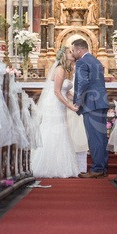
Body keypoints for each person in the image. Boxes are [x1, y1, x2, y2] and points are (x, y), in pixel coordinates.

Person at [31, 46, 80, 178]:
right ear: (64, 55)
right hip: (54, 104)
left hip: (59, 103)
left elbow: (66, 92)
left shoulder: (65, 70)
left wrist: (78, 100)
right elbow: (57, 91)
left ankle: (59, 166)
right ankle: (45, 166)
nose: (72, 53)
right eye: (70, 52)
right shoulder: (59, 69)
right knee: (52, 131)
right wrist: (70, 106)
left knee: (60, 132)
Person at [71, 38, 110, 178]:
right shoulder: (96, 60)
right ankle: (103, 167)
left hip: (91, 104)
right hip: (101, 102)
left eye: (74, 50)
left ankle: (97, 168)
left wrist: (78, 103)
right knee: (101, 137)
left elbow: (83, 83)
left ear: (79, 50)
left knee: (94, 137)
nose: (73, 53)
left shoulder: (81, 62)